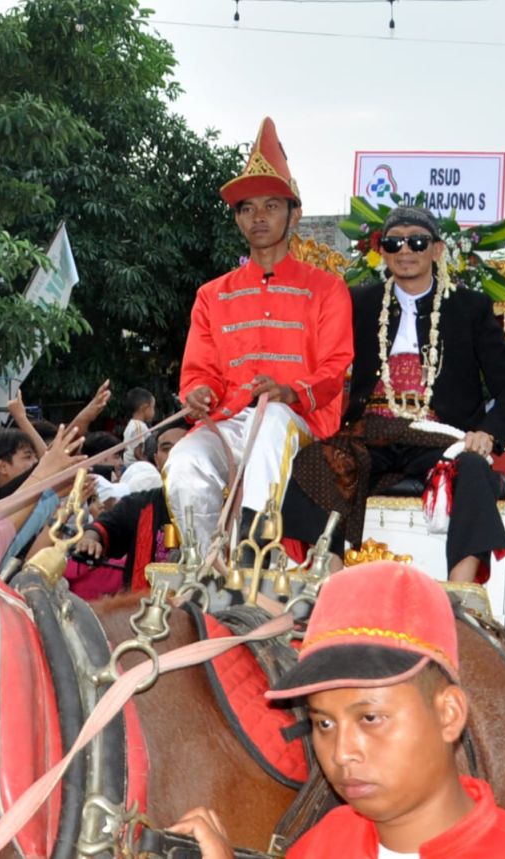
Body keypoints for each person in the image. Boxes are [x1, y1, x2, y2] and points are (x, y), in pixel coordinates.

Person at [169, 561, 505, 858]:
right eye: (324, 723)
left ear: (448, 714)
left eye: (370, 718)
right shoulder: (322, 846)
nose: (341, 752)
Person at [284, 205, 505, 583]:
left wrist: (488, 433)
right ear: (382, 251)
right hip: (371, 431)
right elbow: (317, 356)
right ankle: (328, 584)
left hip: (440, 435)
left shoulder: (469, 308)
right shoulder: (358, 304)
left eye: (416, 241)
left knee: (475, 471)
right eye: (393, 243)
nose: (405, 251)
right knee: (314, 462)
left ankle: (460, 594)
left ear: (436, 249)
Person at [165, 116, 354, 557]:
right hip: (229, 420)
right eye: (246, 208)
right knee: (185, 462)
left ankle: (255, 553)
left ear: (295, 214)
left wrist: (289, 392)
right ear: (237, 219)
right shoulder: (212, 295)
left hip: (300, 420)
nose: (258, 217)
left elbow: (334, 369)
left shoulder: (328, 289)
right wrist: (198, 395)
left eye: (271, 205)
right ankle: (206, 566)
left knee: (270, 422)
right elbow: (200, 372)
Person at [122, 387, 156, 467]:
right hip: (135, 466)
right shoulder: (139, 426)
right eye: (152, 407)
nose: (154, 411)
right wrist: (151, 466)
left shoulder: (132, 424)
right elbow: (138, 453)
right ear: (144, 408)